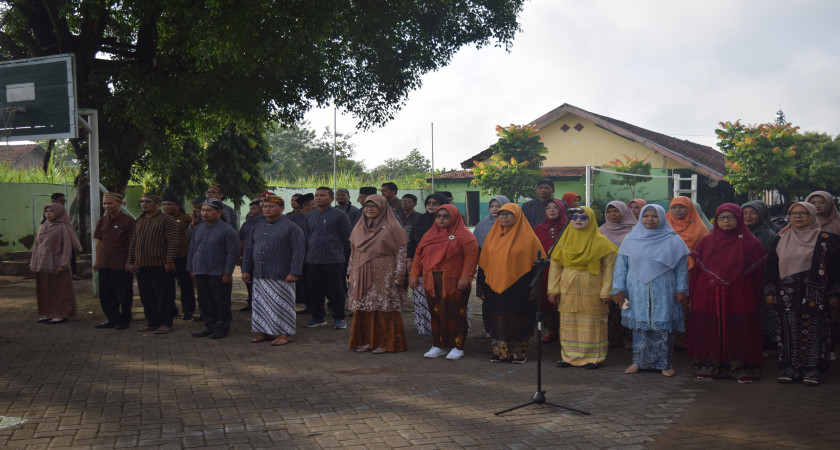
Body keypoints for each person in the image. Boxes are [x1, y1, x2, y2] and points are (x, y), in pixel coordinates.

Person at [688, 204, 767, 383]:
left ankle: (742, 368)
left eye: (730, 217)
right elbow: (696, 272)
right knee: (708, 328)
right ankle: (708, 366)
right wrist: (693, 295)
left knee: (740, 328)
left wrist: (756, 295)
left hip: (740, 294)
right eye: (721, 218)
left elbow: (758, 275)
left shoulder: (751, 243)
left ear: (738, 219)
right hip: (708, 293)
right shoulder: (707, 242)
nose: (725, 221)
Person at [764, 202, 840, 386]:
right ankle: (789, 368)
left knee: (815, 330)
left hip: (816, 292)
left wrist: (835, 292)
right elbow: (771, 266)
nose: (798, 217)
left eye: (803, 213)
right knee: (789, 331)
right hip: (787, 293)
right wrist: (770, 289)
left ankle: (813, 369)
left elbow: (835, 268)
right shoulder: (781, 237)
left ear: (812, 215)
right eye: (793, 213)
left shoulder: (827, 239)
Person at [613, 204, 690, 377]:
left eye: (654, 216)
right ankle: (638, 362)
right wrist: (619, 289)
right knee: (639, 328)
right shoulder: (631, 239)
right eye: (646, 216)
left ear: (661, 218)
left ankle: (664, 364)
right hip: (636, 290)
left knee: (663, 328)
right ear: (641, 218)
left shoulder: (673, 240)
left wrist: (681, 289)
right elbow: (621, 267)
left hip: (664, 289)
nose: (650, 219)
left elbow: (681, 268)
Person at [549, 207, 617, 369]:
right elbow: (555, 266)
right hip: (568, 288)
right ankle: (569, 357)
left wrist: (606, 291)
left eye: (583, 217)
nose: (578, 220)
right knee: (568, 323)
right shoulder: (564, 239)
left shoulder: (602, 242)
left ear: (591, 220)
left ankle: (593, 358)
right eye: (575, 217)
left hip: (593, 289)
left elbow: (609, 269)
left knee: (592, 323)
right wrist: (553, 289)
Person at [410, 204, 478, 360]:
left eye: (445, 216)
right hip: (432, 280)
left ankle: (457, 347)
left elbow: (471, 258)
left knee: (456, 313)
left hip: (454, 281)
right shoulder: (429, 235)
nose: (441, 219)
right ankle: (438, 345)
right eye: (438, 216)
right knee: (436, 313)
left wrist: (466, 277)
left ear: (454, 217)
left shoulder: (465, 236)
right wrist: (413, 275)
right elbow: (418, 255)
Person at [476, 203, 542, 363]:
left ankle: (519, 353)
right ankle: (501, 353)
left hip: (520, 287)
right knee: (498, 317)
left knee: (517, 317)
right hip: (494, 286)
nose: (504, 217)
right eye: (501, 214)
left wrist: (534, 287)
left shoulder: (529, 238)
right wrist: (480, 285)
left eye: (508, 214)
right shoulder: (492, 237)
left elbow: (538, 266)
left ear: (518, 216)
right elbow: (483, 264)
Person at [347, 194, 409, 353]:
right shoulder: (359, 226)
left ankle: (385, 343)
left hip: (385, 273)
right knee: (364, 306)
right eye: (367, 206)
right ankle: (367, 341)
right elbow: (353, 252)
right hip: (361, 270)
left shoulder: (392, 225)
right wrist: (350, 272)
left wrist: (400, 272)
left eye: (373, 206)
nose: (369, 209)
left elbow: (401, 251)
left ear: (382, 207)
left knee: (384, 306)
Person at [242, 195, 305, 346]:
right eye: (265, 206)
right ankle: (266, 332)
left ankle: (285, 334)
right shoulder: (257, 226)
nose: (267, 209)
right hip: (260, 273)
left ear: (282, 208)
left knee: (283, 305)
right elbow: (248, 249)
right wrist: (245, 269)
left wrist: (294, 272)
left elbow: (298, 252)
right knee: (261, 305)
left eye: (271, 206)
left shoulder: (292, 227)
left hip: (282, 274)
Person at [127, 193, 179, 334]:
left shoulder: (167, 220)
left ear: (157, 204)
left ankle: (166, 323)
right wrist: (130, 261)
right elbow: (134, 241)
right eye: (142, 201)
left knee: (164, 295)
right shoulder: (139, 220)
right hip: (142, 264)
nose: (144, 204)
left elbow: (173, 241)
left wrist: (169, 261)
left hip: (160, 264)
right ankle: (152, 322)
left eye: (148, 201)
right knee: (146, 295)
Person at [187, 199, 239, 339]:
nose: (204, 213)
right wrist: (191, 267)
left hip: (219, 272)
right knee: (205, 301)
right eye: (203, 210)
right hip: (200, 270)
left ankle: (222, 328)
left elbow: (232, 253)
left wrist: (228, 272)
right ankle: (209, 326)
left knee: (221, 302)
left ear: (219, 212)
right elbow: (192, 249)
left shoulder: (228, 230)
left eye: (209, 210)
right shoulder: (198, 228)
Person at [303, 187, 353, 329]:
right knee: (315, 290)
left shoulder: (340, 215)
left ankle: (339, 318)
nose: (318, 198)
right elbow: (307, 237)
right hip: (313, 259)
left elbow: (347, 238)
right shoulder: (309, 215)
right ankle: (318, 317)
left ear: (331, 199)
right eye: (316, 195)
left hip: (334, 260)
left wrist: (341, 254)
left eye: (322, 195)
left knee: (336, 291)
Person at [666, 196, 710, 349]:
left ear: (690, 209)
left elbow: (705, 253)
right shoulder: (664, 225)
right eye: (674, 207)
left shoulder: (700, 229)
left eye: (682, 207)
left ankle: (686, 342)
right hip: (667, 271)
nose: (678, 210)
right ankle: (670, 341)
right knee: (668, 304)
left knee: (685, 305)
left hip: (691, 272)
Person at [31, 203, 82, 324]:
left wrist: (63, 264)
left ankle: (61, 314)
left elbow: (67, 247)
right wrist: (34, 263)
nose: (48, 213)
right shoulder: (43, 226)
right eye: (46, 211)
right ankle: (49, 313)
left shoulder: (63, 227)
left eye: (51, 211)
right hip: (42, 264)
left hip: (57, 264)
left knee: (59, 290)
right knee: (45, 290)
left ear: (59, 213)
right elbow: (36, 246)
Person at [407, 193, 449, 336]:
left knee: (441, 298)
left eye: (434, 203)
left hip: (442, 267)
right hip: (422, 264)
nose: (430, 206)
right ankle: (426, 326)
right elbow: (412, 241)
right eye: (428, 203)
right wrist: (409, 259)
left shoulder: (449, 220)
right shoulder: (420, 220)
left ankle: (443, 328)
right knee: (423, 295)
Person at [93, 193, 135, 330]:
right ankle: (112, 318)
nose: (107, 206)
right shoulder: (102, 221)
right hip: (105, 263)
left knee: (123, 293)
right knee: (106, 293)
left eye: (110, 203)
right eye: (104, 203)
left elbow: (132, 243)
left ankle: (125, 319)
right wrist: (97, 260)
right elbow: (100, 241)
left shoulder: (128, 221)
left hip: (121, 263)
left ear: (121, 204)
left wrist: (130, 261)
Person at [742, 200, 780, 350]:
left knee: (762, 315)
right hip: (740, 282)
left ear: (761, 215)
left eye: (753, 213)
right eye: (744, 213)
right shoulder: (734, 233)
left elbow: (775, 261)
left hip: (763, 280)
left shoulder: (770, 235)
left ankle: (764, 345)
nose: (748, 216)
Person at [600, 200, 637, 348]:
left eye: (616, 211)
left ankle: (628, 337)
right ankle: (611, 338)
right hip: (607, 274)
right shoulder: (601, 231)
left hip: (629, 274)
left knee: (627, 305)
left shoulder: (635, 230)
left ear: (624, 212)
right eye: (609, 211)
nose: (613, 214)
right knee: (610, 306)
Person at [473, 195, 511, 336]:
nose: (494, 209)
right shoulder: (482, 225)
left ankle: (506, 327)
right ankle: (490, 327)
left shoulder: (512, 225)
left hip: (507, 268)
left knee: (505, 298)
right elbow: (477, 248)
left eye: (498, 206)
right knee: (488, 298)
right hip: (487, 268)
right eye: (492, 206)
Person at [533, 199, 567, 343]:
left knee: (564, 298)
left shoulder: (568, 227)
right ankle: (552, 330)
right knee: (547, 299)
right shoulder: (539, 228)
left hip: (564, 268)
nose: (551, 210)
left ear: (562, 210)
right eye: (548, 208)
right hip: (545, 269)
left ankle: (566, 331)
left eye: (555, 208)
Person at [162, 195, 196, 320]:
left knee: (185, 284)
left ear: (177, 206)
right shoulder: (161, 219)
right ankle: (171, 309)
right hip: (165, 257)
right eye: (164, 204)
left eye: (169, 204)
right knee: (167, 285)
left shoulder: (186, 219)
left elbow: (191, 236)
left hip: (182, 256)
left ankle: (188, 310)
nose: (166, 207)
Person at [43, 192, 81, 280]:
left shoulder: (62, 212)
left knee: (70, 253)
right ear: (54, 200)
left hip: (65, 238)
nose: (63, 203)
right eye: (61, 201)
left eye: (64, 201)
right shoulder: (49, 213)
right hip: (54, 240)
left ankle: (73, 273)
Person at [237, 200, 263, 312]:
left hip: (259, 257)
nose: (251, 211)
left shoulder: (264, 223)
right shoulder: (246, 224)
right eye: (250, 208)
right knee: (248, 280)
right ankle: (251, 303)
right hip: (247, 256)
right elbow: (241, 240)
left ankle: (259, 304)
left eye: (254, 209)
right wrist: (239, 256)